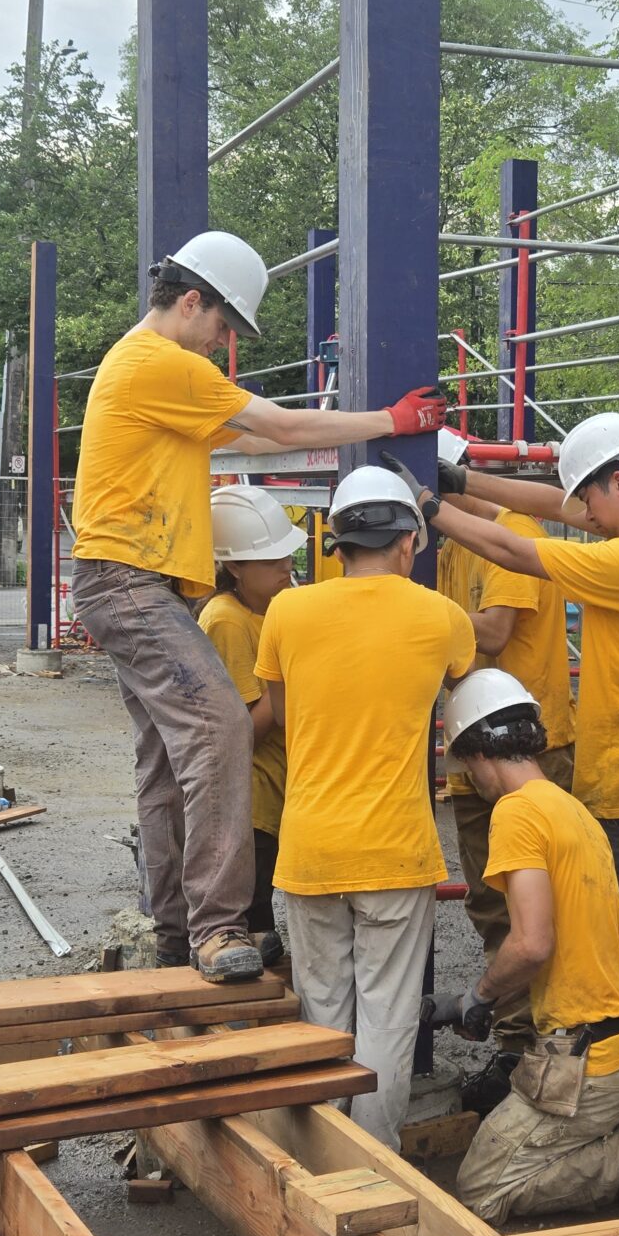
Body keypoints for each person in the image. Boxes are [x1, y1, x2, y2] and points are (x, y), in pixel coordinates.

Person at [71, 229, 447, 984]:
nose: (221, 344)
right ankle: (218, 928)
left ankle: (177, 930)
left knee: (165, 762)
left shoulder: (149, 369)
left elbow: (256, 436)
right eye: (222, 326)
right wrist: (391, 423)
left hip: (131, 582)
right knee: (221, 724)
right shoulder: (159, 362)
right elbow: (278, 424)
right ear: (189, 302)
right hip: (130, 581)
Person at [384, 411, 619, 1089]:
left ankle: (616, 1076)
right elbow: (550, 508)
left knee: (618, 937)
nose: (582, 513)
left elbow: (517, 551)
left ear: (618, 483)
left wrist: (428, 505)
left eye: (587, 498)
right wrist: (465, 477)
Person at [423, 668, 619, 1226]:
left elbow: (530, 944)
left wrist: (475, 995)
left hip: (587, 1062)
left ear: (476, 751)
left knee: (480, 1191)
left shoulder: (517, 812)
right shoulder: (569, 807)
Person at [254, 465, 475, 1150]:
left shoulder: (287, 612)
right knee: (388, 1017)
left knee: (323, 1012)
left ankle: (317, 1159)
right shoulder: (441, 617)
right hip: (396, 849)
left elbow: (280, 713)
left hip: (310, 847)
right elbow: (464, 692)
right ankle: (370, 1167)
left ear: (334, 541)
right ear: (409, 541)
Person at [435, 427, 577, 1112]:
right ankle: (523, 1041)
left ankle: (538, 1043)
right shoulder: (452, 540)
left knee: (532, 908)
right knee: (492, 902)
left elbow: (489, 631)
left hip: (523, 743)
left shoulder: (512, 530)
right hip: (475, 746)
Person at [197, 485, 307, 965]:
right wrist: (293, 687)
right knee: (256, 915)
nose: (285, 568)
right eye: (270, 561)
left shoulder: (275, 608)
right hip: (255, 794)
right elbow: (242, 728)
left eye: (286, 556)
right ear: (234, 566)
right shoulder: (226, 620)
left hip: (283, 787)